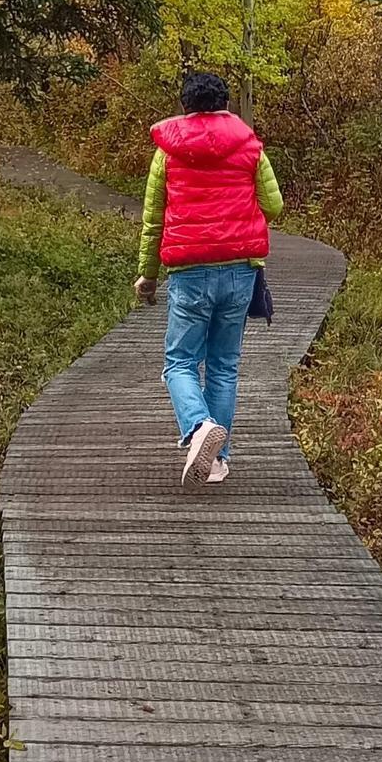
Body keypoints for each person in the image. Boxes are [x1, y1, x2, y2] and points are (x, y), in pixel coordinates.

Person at [134, 70, 283, 488]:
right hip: (240, 269)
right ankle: (218, 461)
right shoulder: (250, 147)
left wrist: (147, 275)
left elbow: (153, 219)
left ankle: (199, 427)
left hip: (189, 271)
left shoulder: (168, 153)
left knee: (180, 361)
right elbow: (274, 205)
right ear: (226, 105)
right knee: (223, 366)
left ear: (185, 106)